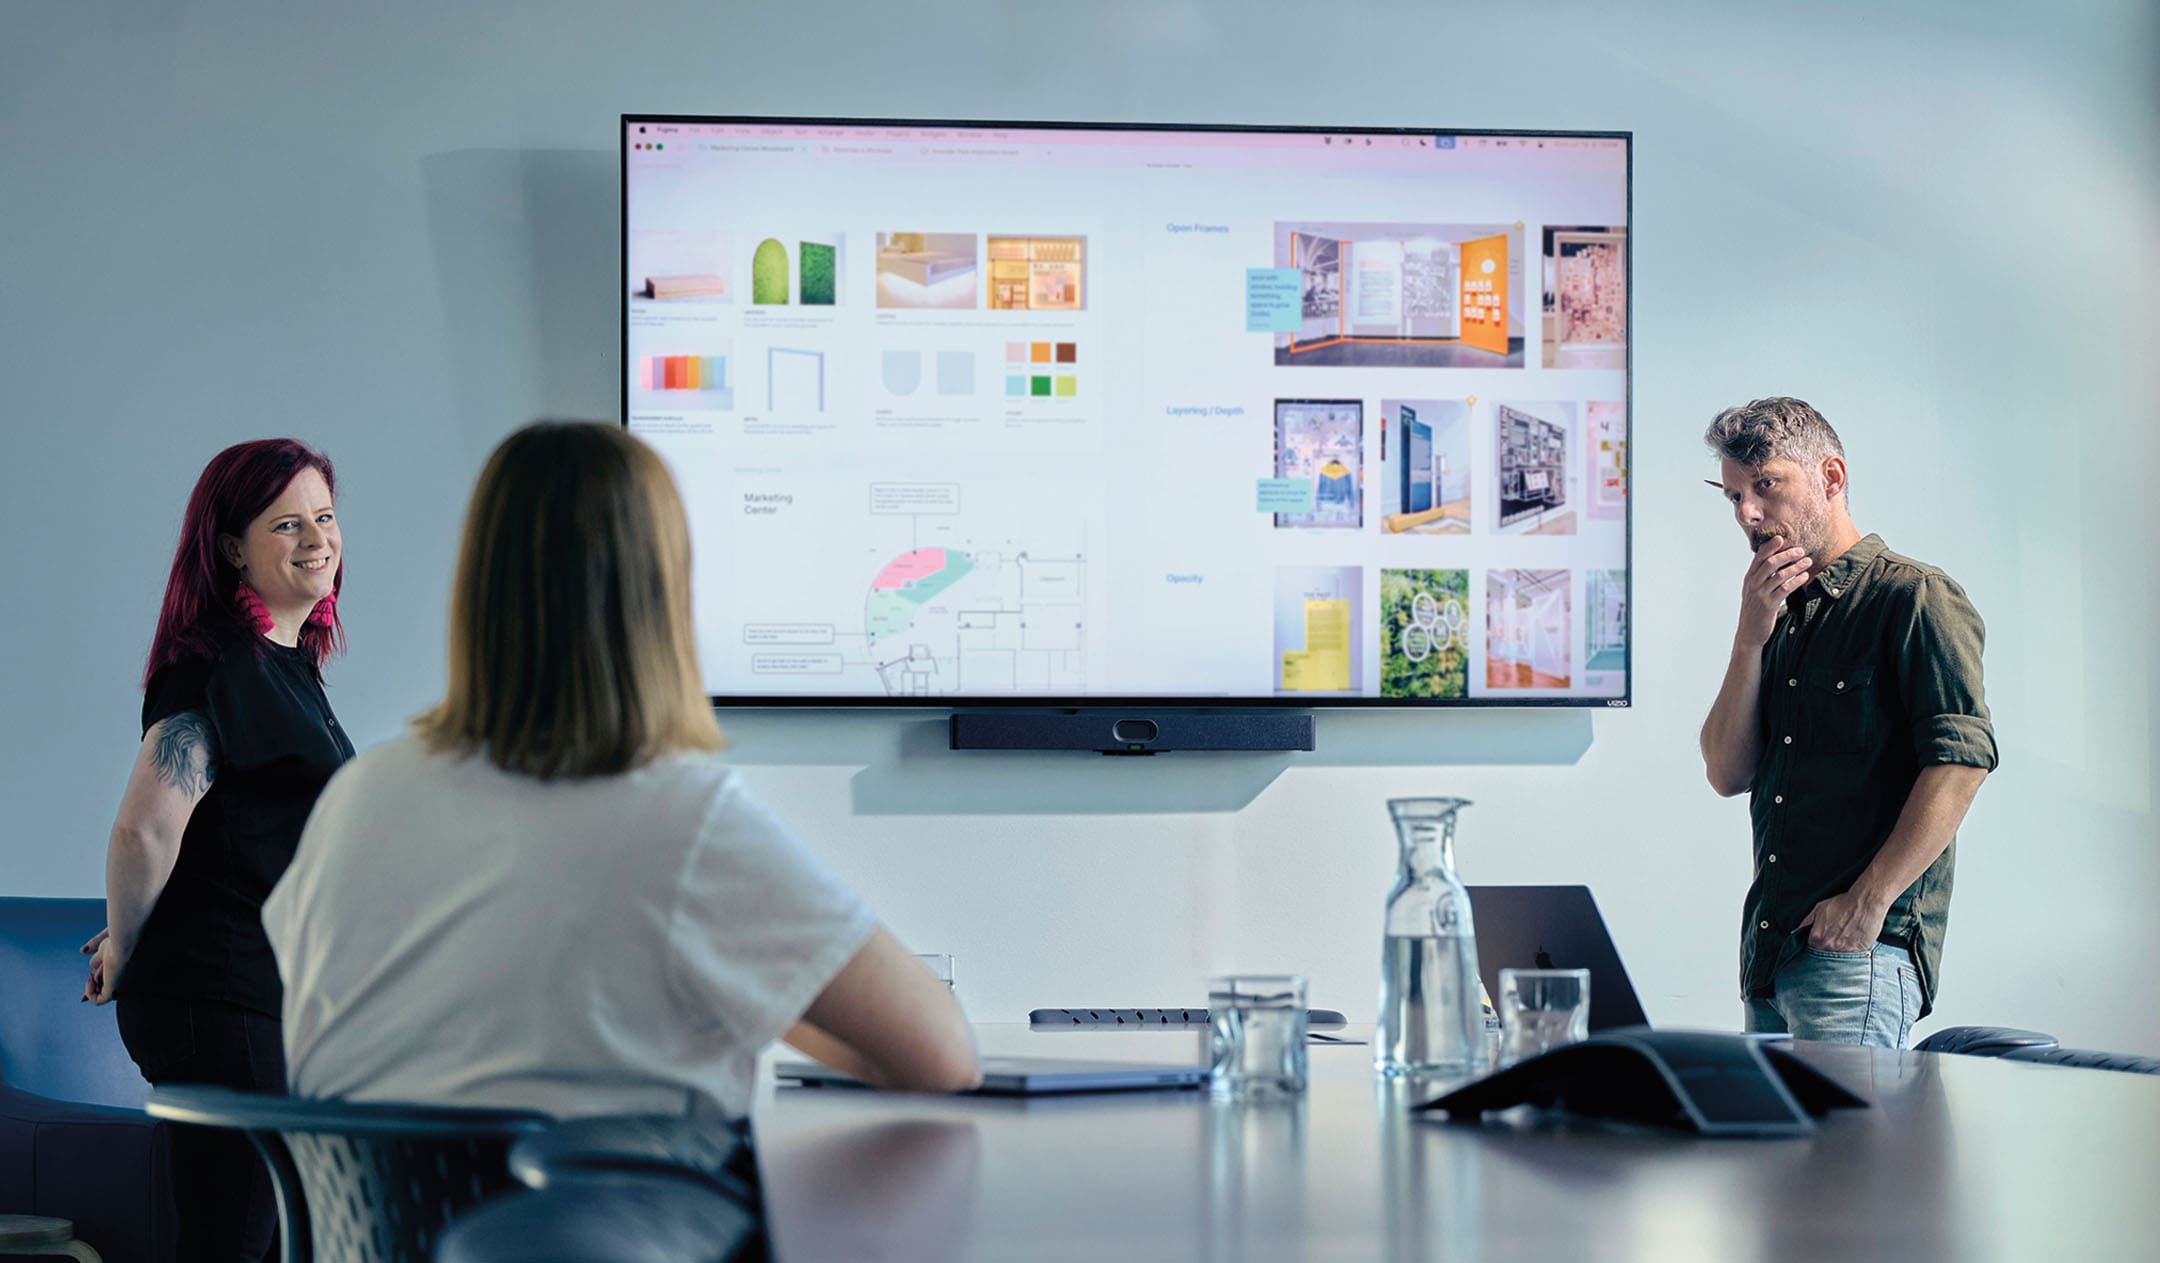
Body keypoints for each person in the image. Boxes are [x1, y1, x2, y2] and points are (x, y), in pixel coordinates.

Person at [261, 421, 977, 1119]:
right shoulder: (680, 818)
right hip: (608, 1197)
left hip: (369, 1203)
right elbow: (944, 1058)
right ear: (662, 592)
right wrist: (758, 990)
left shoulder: (360, 794)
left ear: (479, 585)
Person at [84, 438, 352, 1261]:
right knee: (230, 1246)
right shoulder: (217, 665)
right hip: (223, 1007)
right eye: (287, 523)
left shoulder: (285, 668)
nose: (317, 538)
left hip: (254, 1003)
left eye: (325, 516)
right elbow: (145, 827)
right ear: (233, 548)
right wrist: (126, 944)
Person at [1697, 398, 1996, 1047]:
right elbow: (1725, 772)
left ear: (1830, 477)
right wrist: (1749, 638)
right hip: (1770, 958)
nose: (1748, 513)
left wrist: (1867, 903)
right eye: (1734, 496)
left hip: (1857, 957)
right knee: (1775, 1123)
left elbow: (1961, 763)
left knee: (1844, 1123)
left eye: (1765, 485)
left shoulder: (1913, 596)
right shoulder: (1778, 618)